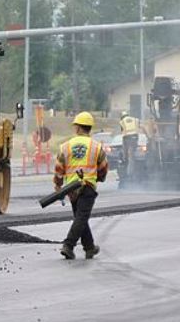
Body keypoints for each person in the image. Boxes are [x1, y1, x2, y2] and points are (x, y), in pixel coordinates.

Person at [53, 111, 109, 260]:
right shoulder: (96, 147)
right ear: (89, 128)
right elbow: (103, 168)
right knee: (81, 218)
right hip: (88, 186)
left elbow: (59, 168)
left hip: (72, 189)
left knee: (80, 217)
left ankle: (89, 247)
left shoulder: (65, 146)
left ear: (77, 128)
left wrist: (58, 185)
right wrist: (99, 178)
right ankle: (68, 245)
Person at [118, 109, 139, 177]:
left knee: (126, 153)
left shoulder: (122, 122)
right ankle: (133, 156)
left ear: (122, 117)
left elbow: (122, 131)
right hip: (135, 138)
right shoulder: (135, 119)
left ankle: (125, 159)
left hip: (127, 138)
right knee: (133, 152)